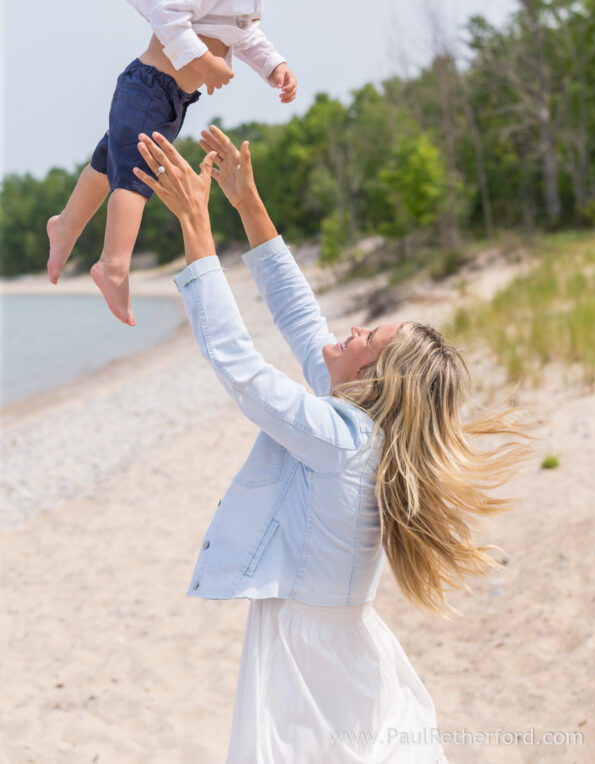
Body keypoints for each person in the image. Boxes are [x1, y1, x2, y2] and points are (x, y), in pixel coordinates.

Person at [131, 125, 527, 763]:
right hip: (336, 643)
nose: (349, 331)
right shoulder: (358, 425)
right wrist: (247, 203)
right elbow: (300, 316)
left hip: (310, 660)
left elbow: (241, 367)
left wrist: (197, 225)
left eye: (365, 341)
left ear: (373, 381)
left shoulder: (343, 438)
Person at [46, 0, 320, 326]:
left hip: (174, 100)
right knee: (136, 175)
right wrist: (203, 61)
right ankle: (113, 266)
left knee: (107, 162)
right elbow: (166, 13)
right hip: (147, 86)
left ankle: (67, 223)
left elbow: (246, 37)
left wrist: (275, 66)